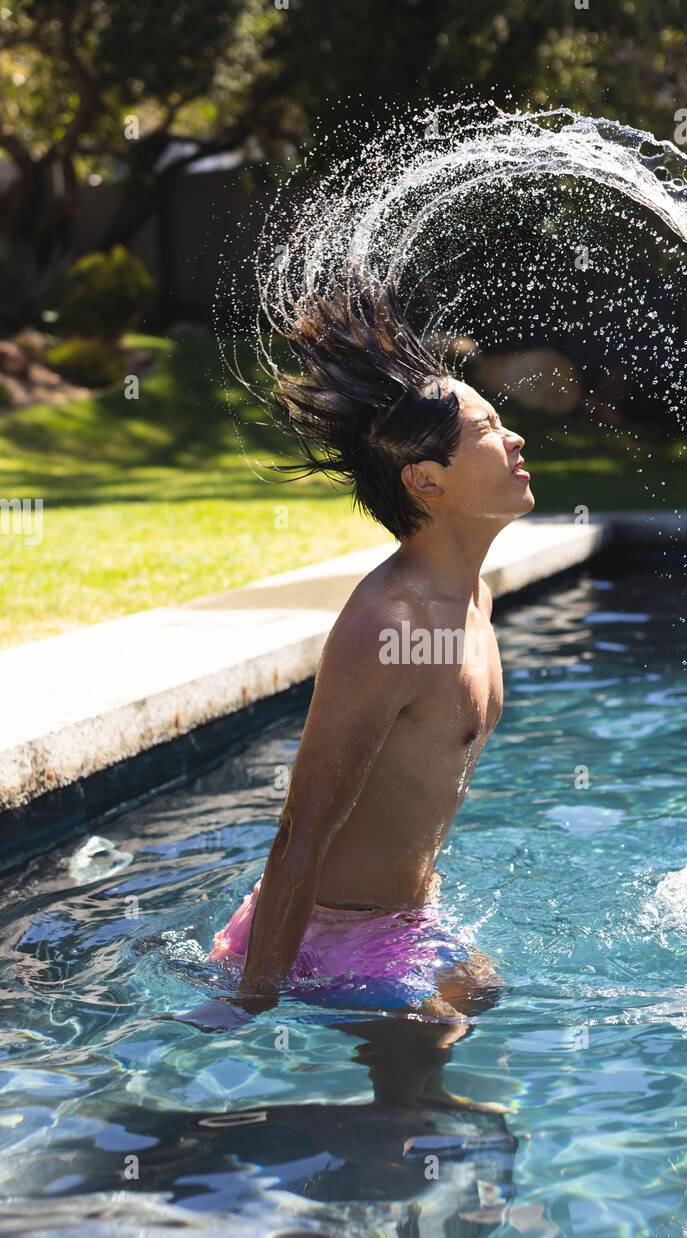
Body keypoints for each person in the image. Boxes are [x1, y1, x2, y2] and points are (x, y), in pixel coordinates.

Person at [189, 274, 532, 1040]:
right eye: (486, 430)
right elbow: (300, 829)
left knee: (485, 1009)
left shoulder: (469, 598)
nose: (514, 440)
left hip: (402, 921)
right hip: (330, 938)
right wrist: (254, 996)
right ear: (426, 480)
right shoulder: (391, 623)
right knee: (420, 1111)